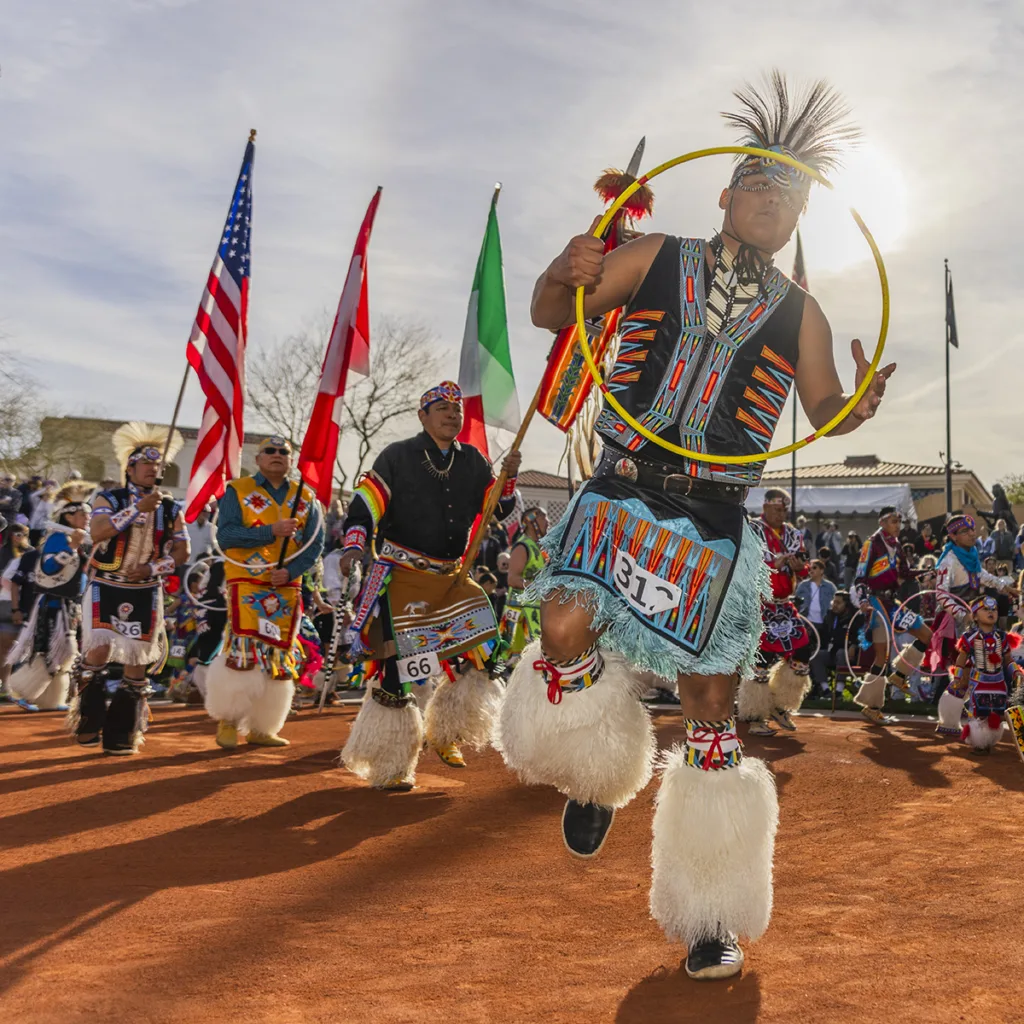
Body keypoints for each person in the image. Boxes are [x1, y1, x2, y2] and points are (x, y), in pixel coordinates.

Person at [499, 74, 889, 979]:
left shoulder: (804, 313)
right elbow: (552, 316)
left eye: (787, 197)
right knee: (561, 628)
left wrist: (855, 409)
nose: (770, 204)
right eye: (758, 185)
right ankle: (596, 773)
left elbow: (825, 408)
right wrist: (566, 270)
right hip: (622, 486)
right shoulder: (652, 255)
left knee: (711, 705)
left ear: (798, 218)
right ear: (724, 191)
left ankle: (711, 914)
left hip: (716, 514)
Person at [339, 382, 521, 788]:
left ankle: (447, 732)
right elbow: (366, 505)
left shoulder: (474, 461)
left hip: (452, 580)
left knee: (486, 654)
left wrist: (508, 477)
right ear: (423, 416)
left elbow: (500, 509)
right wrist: (353, 544)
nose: (452, 414)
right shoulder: (397, 456)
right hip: (402, 578)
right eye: (441, 408)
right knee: (395, 671)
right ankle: (391, 764)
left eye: (456, 409)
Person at [71, 424, 189, 754]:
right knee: (97, 653)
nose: (154, 469)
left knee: (137, 662)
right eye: (147, 463)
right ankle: (88, 721)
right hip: (106, 585)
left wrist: (153, 567)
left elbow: (183, 552)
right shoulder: (109, 498)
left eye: (159, 465)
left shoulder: (171, 508)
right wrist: (137, 508)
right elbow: (99, 530)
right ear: (130, 467)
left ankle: (123, 734)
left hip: (146, 589)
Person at [202, 437, 324, 748]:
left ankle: (262, 727)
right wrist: (270, 531)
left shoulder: (306, 497)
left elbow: (314, 546)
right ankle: (228, 721)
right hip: (245, 581)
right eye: (270, 451)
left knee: (279, 653)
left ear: (291, 460)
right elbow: (226, 535)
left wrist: (292, 571)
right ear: (258, 459)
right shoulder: (239, 490)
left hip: (286, 587)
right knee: (243, 647)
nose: (277, 456)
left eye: (284, 452)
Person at [5, 482, 93, 711]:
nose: (87, 519)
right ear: (69, 517)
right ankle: (22, 691)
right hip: (53, 604)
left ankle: (51, 699)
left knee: (65, 652)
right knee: (47, 649)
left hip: (70, 605)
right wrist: (71, 547)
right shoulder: (58, 539)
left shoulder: (79, 540)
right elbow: (48, 568)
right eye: (83, 514)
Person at [934, 514, 1018, 736]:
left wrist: (1004, 586)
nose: (973, 534)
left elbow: (982, 576)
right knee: (965, 672)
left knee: (980, 670)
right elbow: (941, 595)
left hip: (976, 618)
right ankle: (953, 720)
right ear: (953, 536)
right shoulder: (948, 560)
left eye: (972, 530)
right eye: (966, 531)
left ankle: (970, 722)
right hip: (958, 623)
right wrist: (964, 614)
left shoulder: (970, 555)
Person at [739, 490, 811, 736]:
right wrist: (774, 565)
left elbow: (804, 567)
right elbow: (745, 564)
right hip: (759, 602)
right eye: (778, 509)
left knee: (802, 649)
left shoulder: (793, 533)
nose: (782, 514)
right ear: (766, 506)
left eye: (785, 510)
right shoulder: (753, 530)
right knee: (759, 658)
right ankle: (756, 715)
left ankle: (780, 705)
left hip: (784, 603)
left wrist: (801, 567)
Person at [852, 507, 932, 723]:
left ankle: (900, 675)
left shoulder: (896, 545)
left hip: (893, 604)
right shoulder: (872, 544)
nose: (898, 525)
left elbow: (904, 573)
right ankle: (872, 706)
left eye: (899, 521)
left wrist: (926, 573)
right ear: (883, 522)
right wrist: (863, 601)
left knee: (926, 634)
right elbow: (860, 577)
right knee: (882, 655)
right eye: (894, 521)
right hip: (876, 603)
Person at [947, 596, 1023, 754]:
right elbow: (961, 660)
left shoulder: (1002, 637)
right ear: (974, 616)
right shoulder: (970, 638)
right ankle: (979, 742)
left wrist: (1016, 671)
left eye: (994, 609)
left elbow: (1008, 659)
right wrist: (957, 678)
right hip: (979, 682)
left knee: (997, 712)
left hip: (998, 682)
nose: (991, 612)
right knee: (980, 714)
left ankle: (989, 740)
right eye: (986, 609)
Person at [499, 506, 549, 659]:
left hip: (537, 608)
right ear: (530, 521)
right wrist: (538, 587)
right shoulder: (522, 546)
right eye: (543, 517)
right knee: (509, 659)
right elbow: (512, 579)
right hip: (519, 611)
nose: (548, 522)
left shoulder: (541, 547)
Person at [0, 523, 32, 699]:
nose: (18, 537)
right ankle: (5, 686)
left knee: (20, 648)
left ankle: (19, 686)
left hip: (27, 605)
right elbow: (6, 582)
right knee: (5, 647)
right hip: (5, 605)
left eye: (23, 534)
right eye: (15, 533)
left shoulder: (31, 554)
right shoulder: (2, 554)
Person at [795, 558, 836, 692]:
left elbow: (836, 603)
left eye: (814, 568)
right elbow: (796, 603)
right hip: (807, 623)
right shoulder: (803, 586)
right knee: (806, 653)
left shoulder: (829, 586)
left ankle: (820, 684)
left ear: (822, 570)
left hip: (824, 624)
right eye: (810, 568)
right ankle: (809, 684)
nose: (811, 571)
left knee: (820, 653)